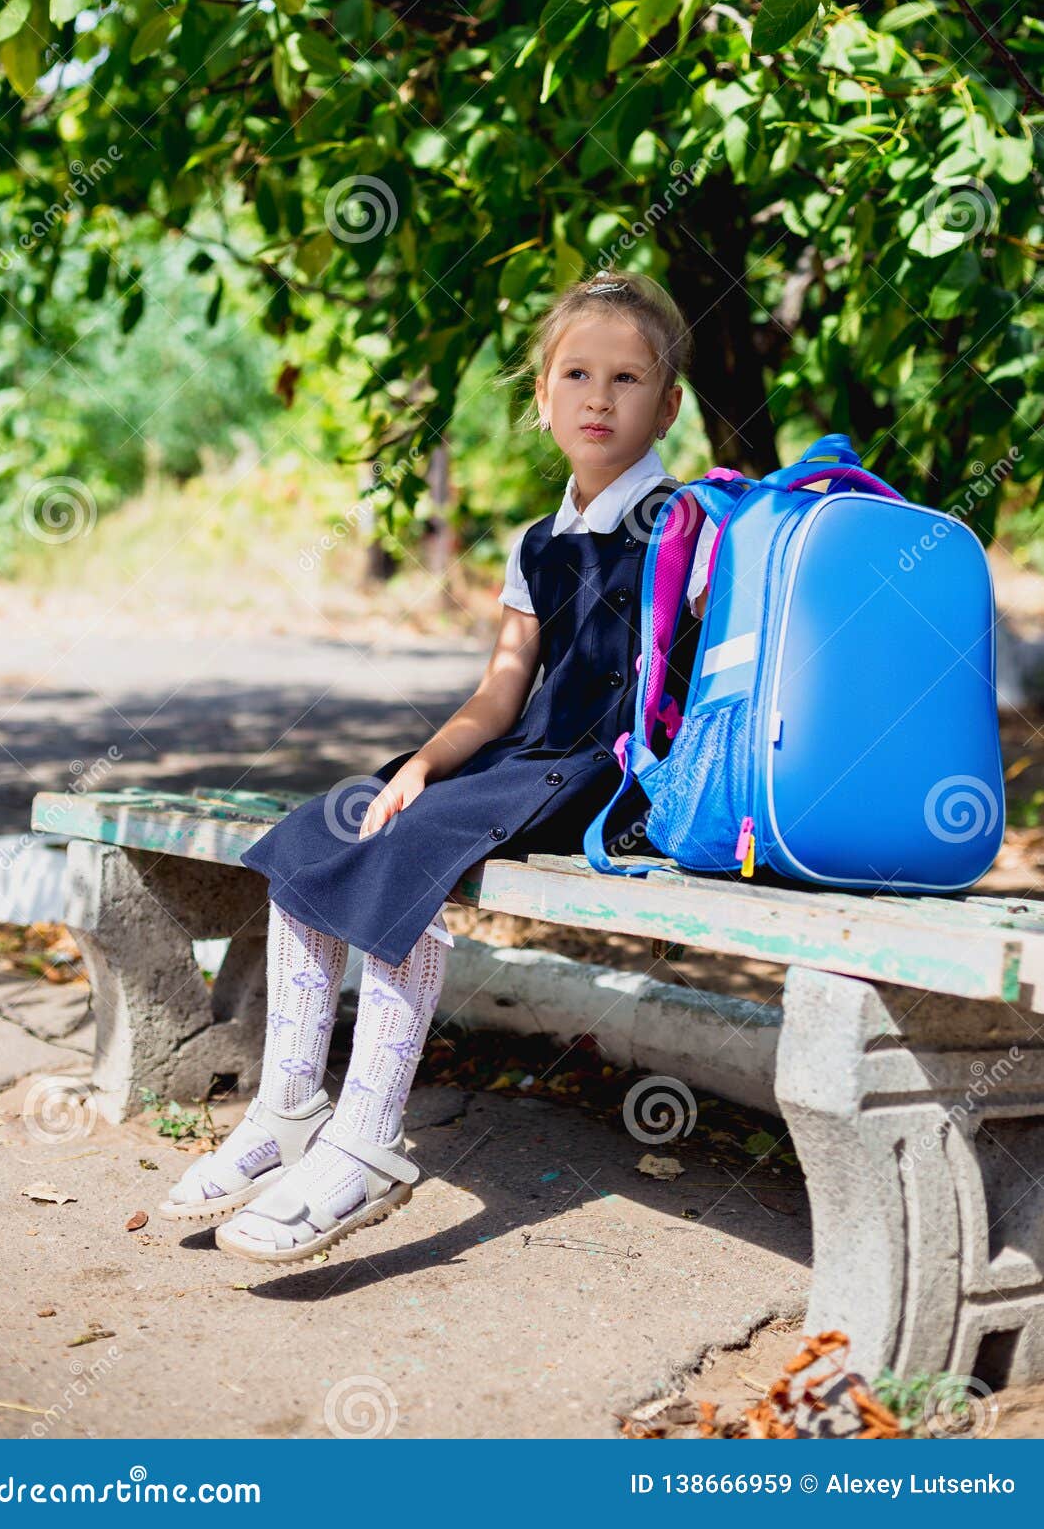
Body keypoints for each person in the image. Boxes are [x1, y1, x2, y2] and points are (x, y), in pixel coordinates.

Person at [158, 267, 716, 1265]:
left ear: (667, 402)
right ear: (540, 396)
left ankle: (368, 1137)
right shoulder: (537, 542)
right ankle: (288, 1102)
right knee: (326, 827)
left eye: (626, 379)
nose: (598, 397)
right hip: (525, 750)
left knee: (406, 853)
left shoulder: (684, 523)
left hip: (606, 769)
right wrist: (420, 762)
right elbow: (499, 693)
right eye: (576, 374)